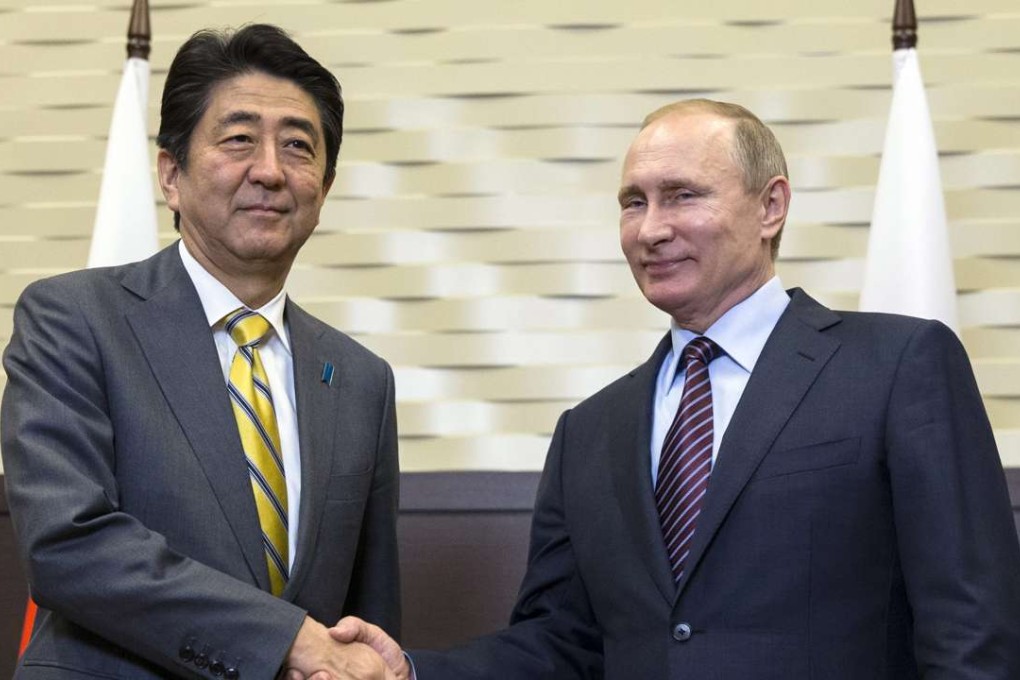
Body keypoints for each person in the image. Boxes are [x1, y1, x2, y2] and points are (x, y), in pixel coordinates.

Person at [333, 99, 1020, 679]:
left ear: (770, 206)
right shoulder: (590, 431)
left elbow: (972, 624)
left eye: (683, 195)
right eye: (634, 203)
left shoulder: (898, 365)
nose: (651, 229)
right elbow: (563, 645)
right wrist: (408, 670)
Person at [2, 24, 400, 680]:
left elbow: (367, 619)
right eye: (239, 138)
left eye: (298, 146)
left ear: (323, 192)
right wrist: (288, 640)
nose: (270, 170)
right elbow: (66, 543)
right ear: (170, 174)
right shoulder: (72, 319)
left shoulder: (361, 379)